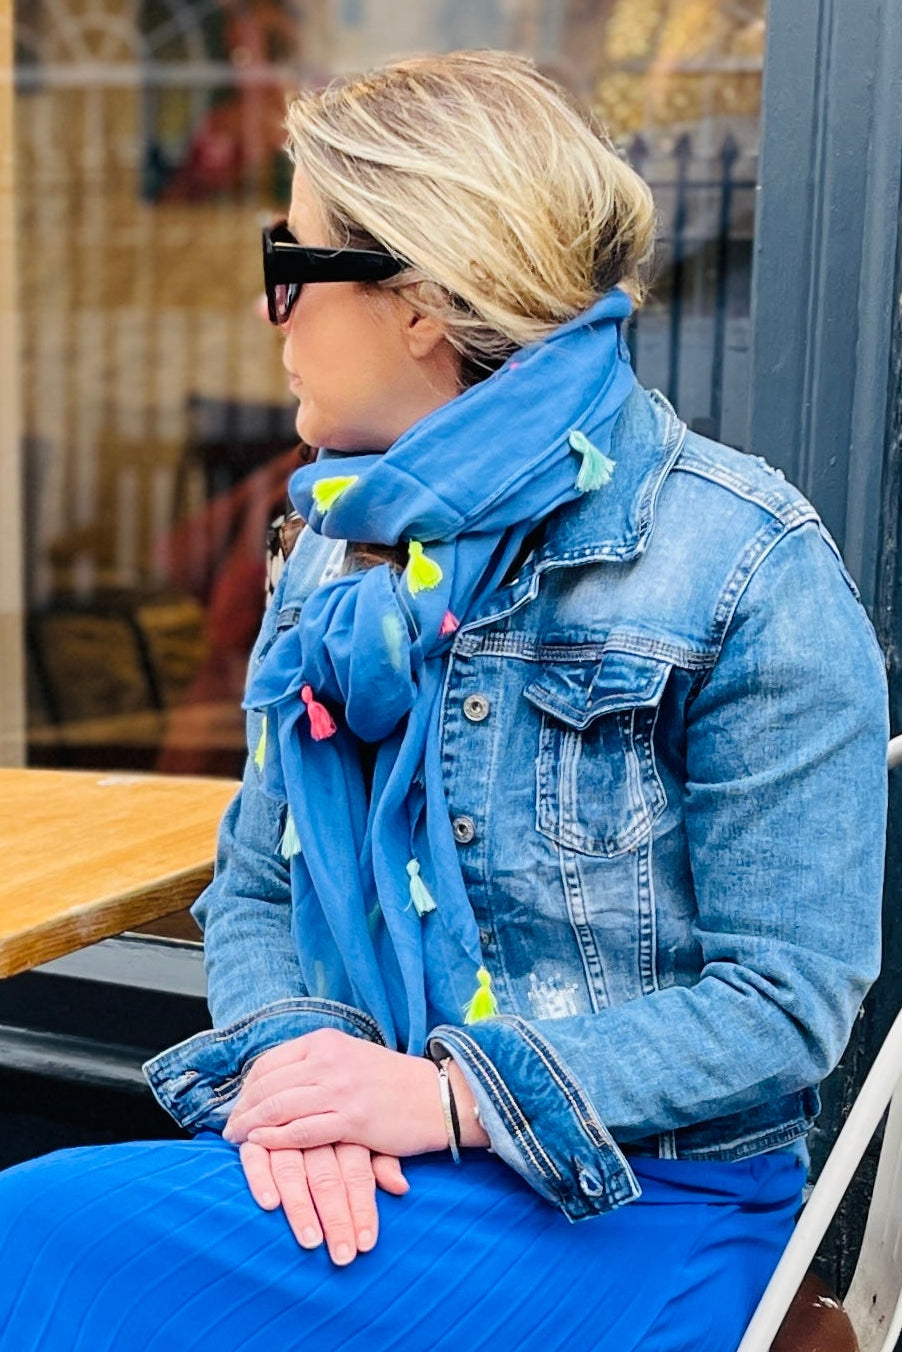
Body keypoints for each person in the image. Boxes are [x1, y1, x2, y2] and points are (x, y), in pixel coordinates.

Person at [0, 50, 888, 1352]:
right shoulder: (333, 555)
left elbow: (783, 1001)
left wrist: (439, 1098)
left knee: (38, 1242)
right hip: (401, 1168)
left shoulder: (742, 563)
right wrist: (304, 1078)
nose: (271, 312)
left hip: (640, 1206)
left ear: (418, 301)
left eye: (289, 264)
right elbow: (255, 884)